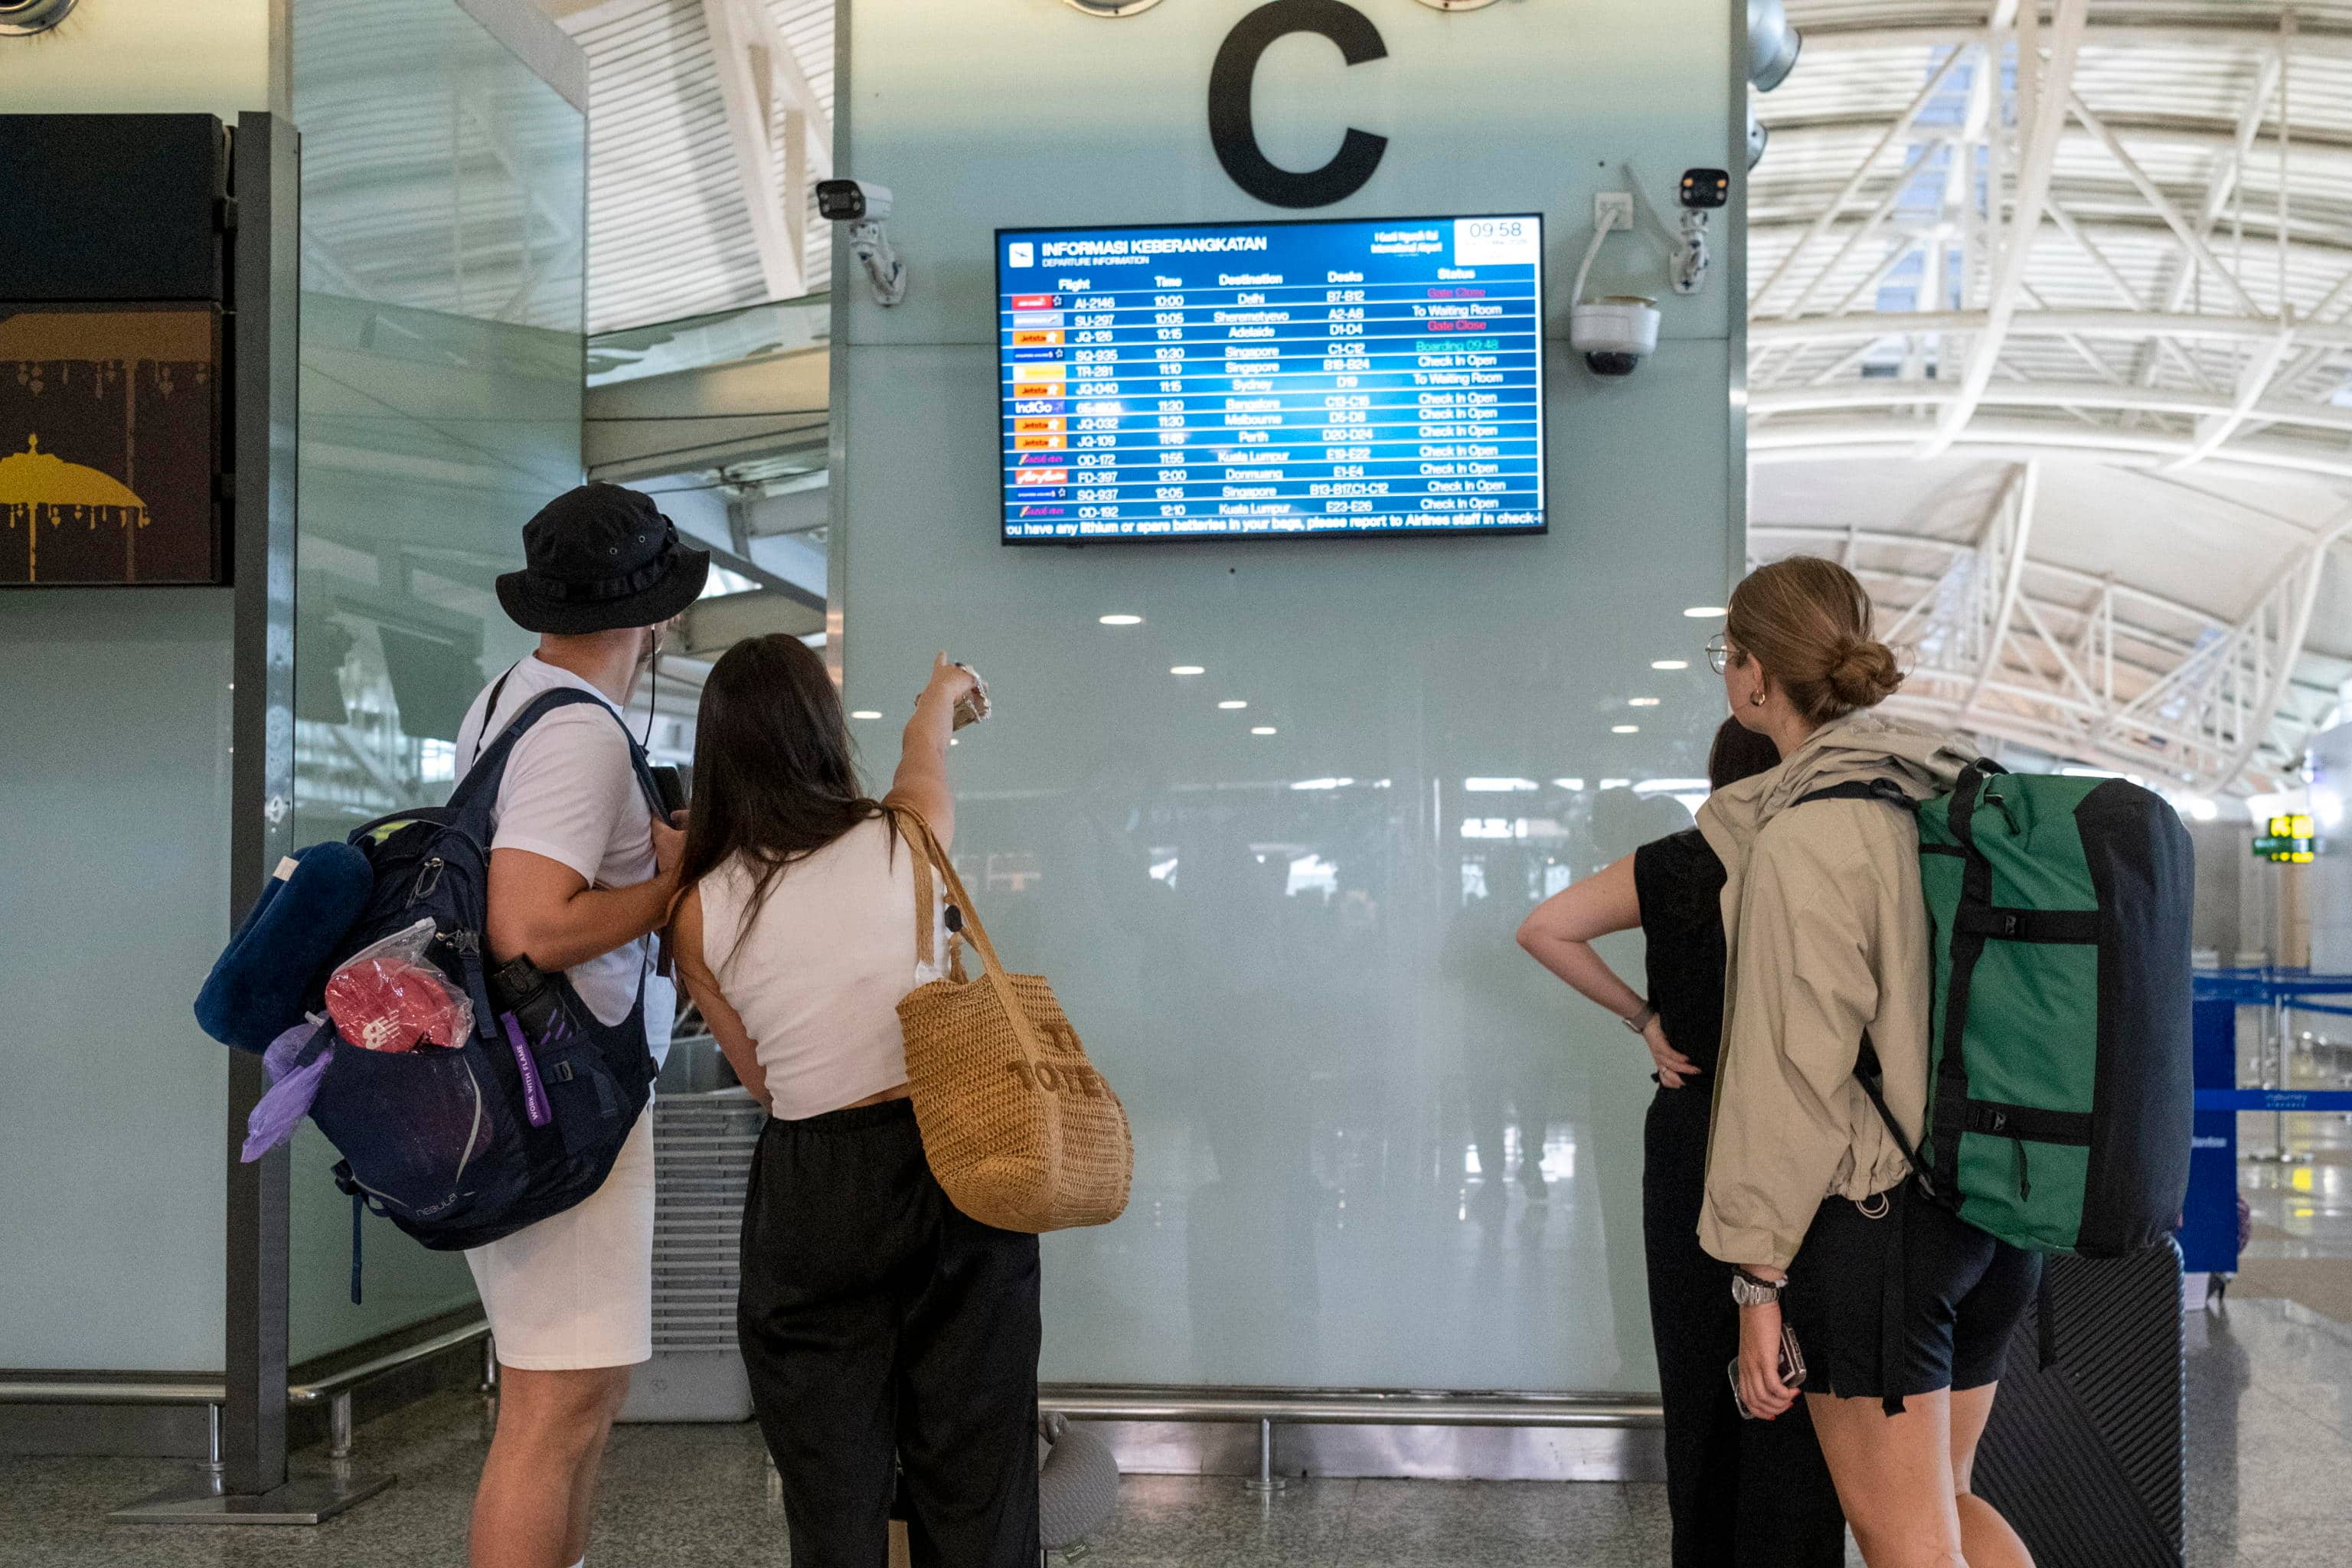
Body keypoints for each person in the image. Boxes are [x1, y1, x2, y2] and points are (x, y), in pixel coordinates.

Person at [668, 635, 1041, 1567]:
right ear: (824, 735)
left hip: (812, 1184)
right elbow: (925, 759)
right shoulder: (901, 839)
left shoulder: (700, 908)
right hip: (951, 1157)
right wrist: (940, 693)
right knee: (976, 1464)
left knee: (832, 1486)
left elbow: (762, 1079)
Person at [1697, 557, 2039, 1568]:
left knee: (1904, 1544)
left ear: (1755, 675)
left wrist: (1758, 1288)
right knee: (1946, 1501)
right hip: (1990, 1210)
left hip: (1878, 1223)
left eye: (1728, 655)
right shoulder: (1962, 793)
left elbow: (1788, 1077)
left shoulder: (1810, 834)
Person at [1517, 718, 1847, 1567]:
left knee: (1700, 1376)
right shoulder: (1826, 858)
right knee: (1797, 1376)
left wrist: (1645, 1019)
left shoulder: (1676, 860)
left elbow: (1545, 926)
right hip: (1806, 1136)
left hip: (1691, 1127)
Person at [456, 482, 708, 1568]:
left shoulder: (512, 697)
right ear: (651, 615)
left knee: (579, 1395)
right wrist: (674, 887)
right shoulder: (579, 732)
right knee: (552, 1411)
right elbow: (528, 927)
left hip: (541, 1088)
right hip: (564, 1100)